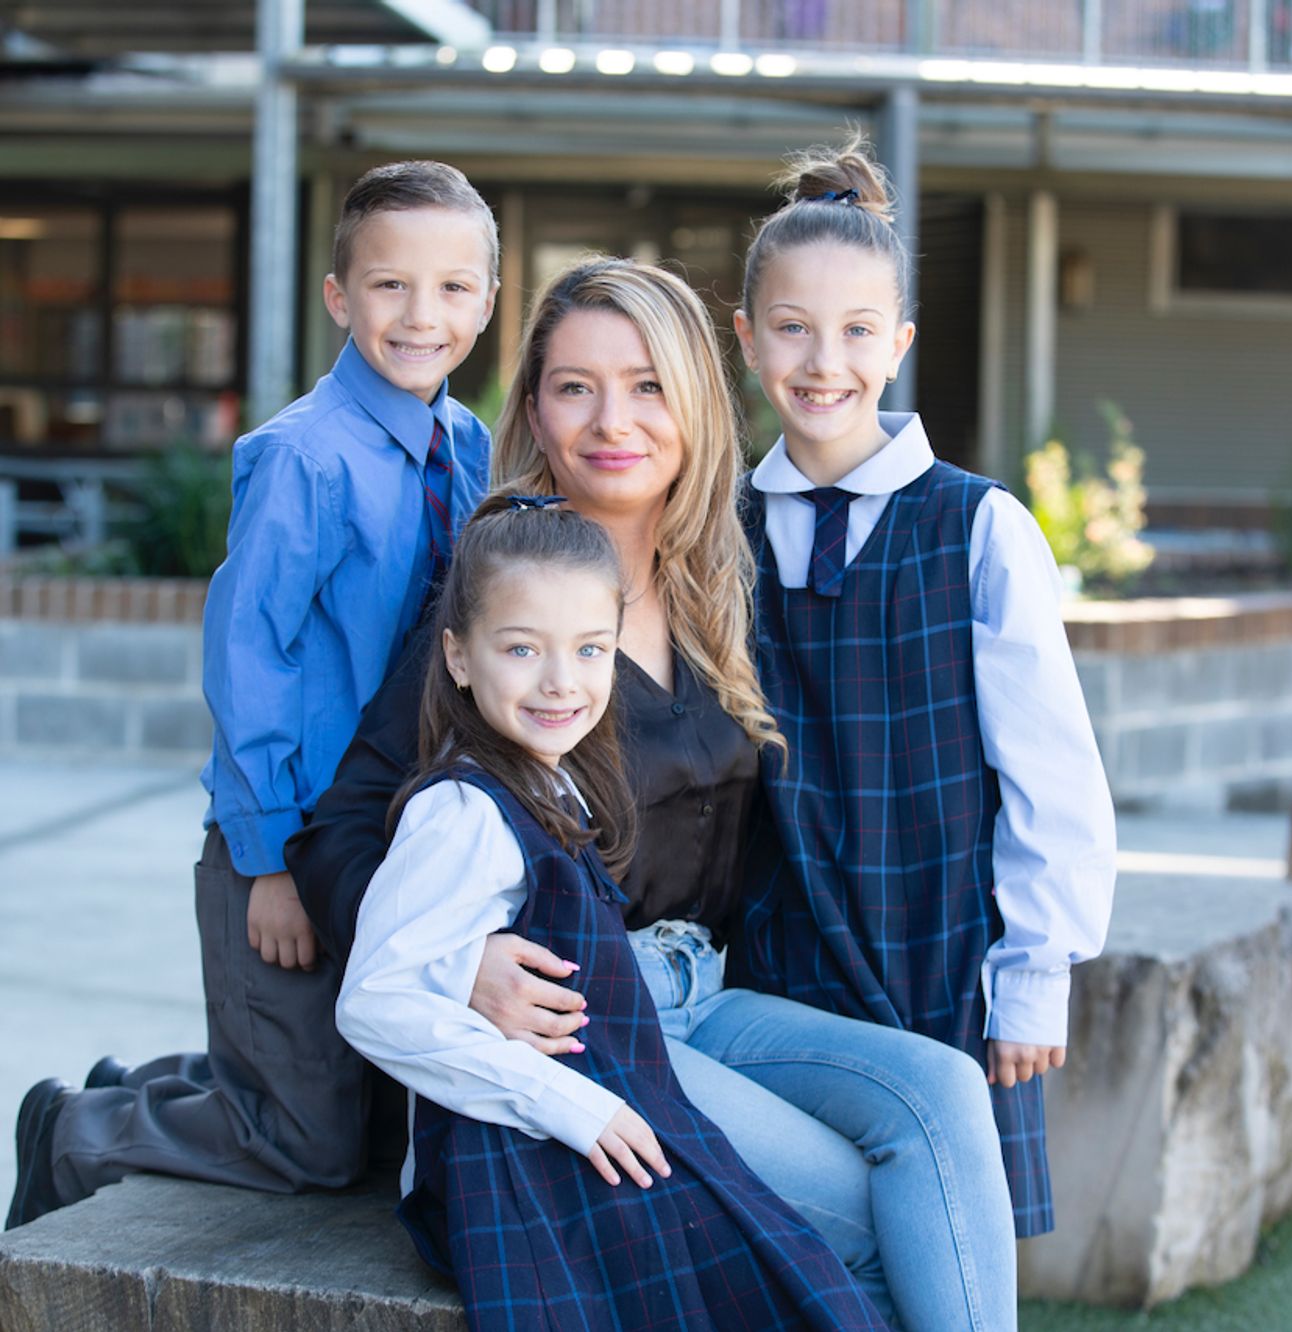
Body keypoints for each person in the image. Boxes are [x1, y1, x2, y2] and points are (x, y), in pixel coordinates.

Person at [288, 257, 1018, 1329]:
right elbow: (347, 824)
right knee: (858, 1212)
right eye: (573, 386)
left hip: (706, 994)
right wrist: (464, 959)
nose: (608, 420)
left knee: (943, 1097)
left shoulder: (719, 582)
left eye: (644, 385)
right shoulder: (505, 601)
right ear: (532, 405)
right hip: (591, 1013)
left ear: (691, 401)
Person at [5, 160, 498, 1231]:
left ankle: (167, 1083)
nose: (422, 315)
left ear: (488, 303)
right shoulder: (300, 458)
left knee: (367, 1122)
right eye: (388, 286)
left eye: (453, 287)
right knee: (307, 1147)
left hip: (387, 840)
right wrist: (267, 858)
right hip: (289, 835)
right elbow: (248, 662)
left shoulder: (466, 450)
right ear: (338, 296)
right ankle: (73, 1130)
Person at [337, 494, 886, 1330]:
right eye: (521, 649)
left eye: (591, 649)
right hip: (521, 1164)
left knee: (794, 1268)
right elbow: (375, 1001)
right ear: (456, 656)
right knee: (796, 1273)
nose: (561, 681)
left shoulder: (549, 779)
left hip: (588, 1123)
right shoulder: (462, 812)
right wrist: (570, 1105)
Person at [727, 138, 1118, 1238]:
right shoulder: (720, 532)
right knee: (804, 1243)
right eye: (792, 328)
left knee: (944, 1242)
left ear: (897, 343)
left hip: (943, 952)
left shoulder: (975, 526)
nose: (822, 361)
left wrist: (1034, 976)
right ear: (748, 337)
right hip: (780, 953)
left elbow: (1049, 768)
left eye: (856, 331)